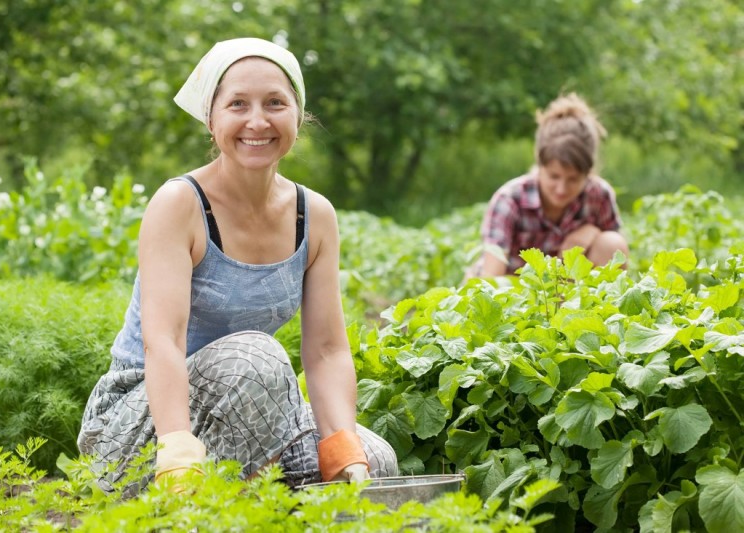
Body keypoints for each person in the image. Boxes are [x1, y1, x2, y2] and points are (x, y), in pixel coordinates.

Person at [77, 37, 398, 494]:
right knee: (258, 356)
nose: (257, 121)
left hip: (249, 410)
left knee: (375, 461)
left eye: (274, 103)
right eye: (237, 105)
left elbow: (327, 349)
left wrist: (341, 445)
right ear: (211, 119)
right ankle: (198, 508)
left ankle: (257, 510)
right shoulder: (180, 204)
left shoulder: (315, 215)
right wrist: (176, 450)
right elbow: (162, 341)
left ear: (297, 116)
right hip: (140, 424)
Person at [464, 93, 629, 279]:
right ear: (539, 166)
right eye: (554, 176)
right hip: (514, 295)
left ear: (588, 174)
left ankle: (576, 309)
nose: (561, 189)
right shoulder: (510, 199)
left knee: (611, 243)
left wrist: (591, 231)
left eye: (573, 179)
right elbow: (491, 278)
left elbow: (617, 255)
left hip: (565, 294)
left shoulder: (598, 195)